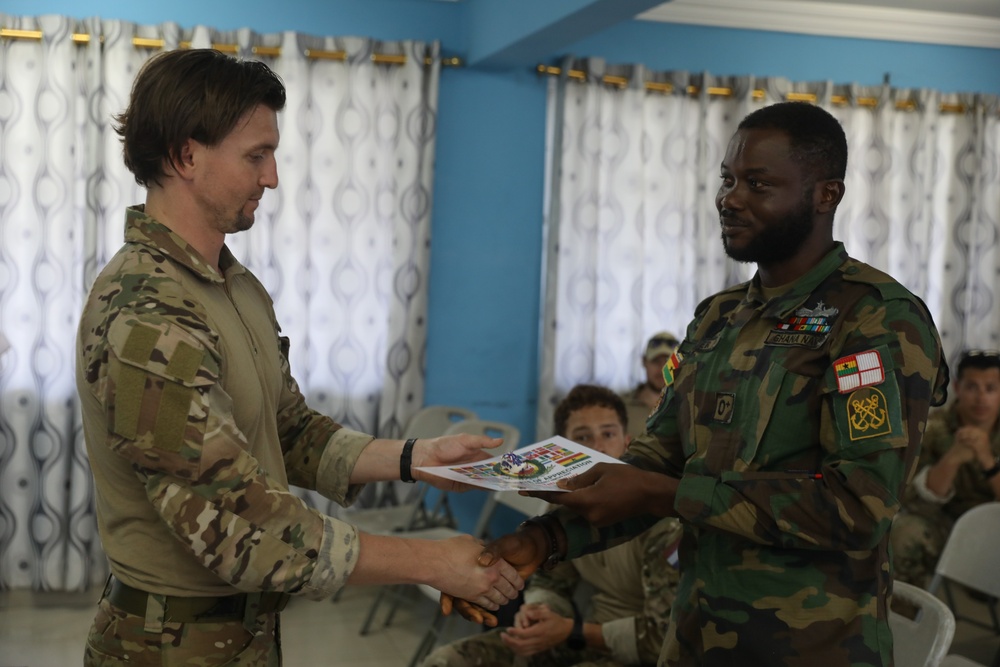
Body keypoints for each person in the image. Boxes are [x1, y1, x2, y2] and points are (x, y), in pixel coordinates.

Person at [445, 102, 949, 666]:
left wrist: (663, 493)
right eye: (728, 179)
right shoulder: (719, 318)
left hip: (811, 649)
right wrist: (547, 541)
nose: (730, 199)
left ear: (825, 195)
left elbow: (859, 507)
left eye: (758, 184)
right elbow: (653, 465)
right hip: (693, 638)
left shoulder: (875, 320)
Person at [76, 49, 521, 666]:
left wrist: (416, 461)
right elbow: (239, 523)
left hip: (246, 636)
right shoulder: (148, 312)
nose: (272, 177)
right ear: (186, 156)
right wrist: (430, 561)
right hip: (167, 646)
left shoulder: (233, 287)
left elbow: (288, 429)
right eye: (256, 156)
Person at [422, 384, 682, 667]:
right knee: (447, 660)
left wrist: (571, 631)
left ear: (628, 443)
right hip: (578, 636)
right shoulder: (565, 512)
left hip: (637, 653)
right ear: (563, 449)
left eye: (608, 434)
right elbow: (552, 580)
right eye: (582, 438)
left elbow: (665, 637)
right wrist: (538, 612)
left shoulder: (661, 522)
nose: (598, 447)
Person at [891, 349, 1000, 588]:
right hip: (946, 526)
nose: (981, 398)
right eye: (972, 387)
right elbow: (911, 500)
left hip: (995, 529)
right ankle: (909, 616)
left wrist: (986, 459)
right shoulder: (932, 428)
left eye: (990, 389)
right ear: (958, 388)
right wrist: (952, 459)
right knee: (904, 533)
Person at [622, 332, 680, 439]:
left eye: (668, 362)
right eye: (656, 361)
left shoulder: (687, 408)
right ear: (644, 362)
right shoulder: (621, 406)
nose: (662, 368)